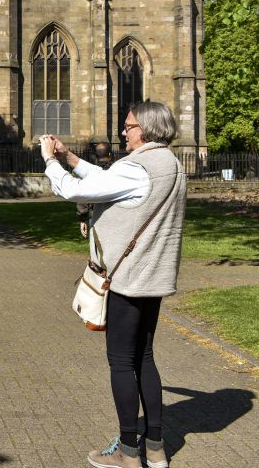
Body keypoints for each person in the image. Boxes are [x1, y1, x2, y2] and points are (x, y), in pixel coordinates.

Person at [40, 101, 186, 468]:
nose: (124, 131)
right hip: (153, 277)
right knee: (145, 358)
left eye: (129, 125)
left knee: (121, 362)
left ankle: (127, 450)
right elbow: (106, 180)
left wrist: (49, 163)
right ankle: (155, 448)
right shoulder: (170, 164)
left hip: (126, 278)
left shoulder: (138, 168)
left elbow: (76, 193)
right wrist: (70, 156)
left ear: (148, 129)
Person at [77, 141, 115, 238]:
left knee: (97, 249)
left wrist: (82, 219)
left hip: (96, 216)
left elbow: (83, 197)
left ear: (95, 156)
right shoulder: (118, 171)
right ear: (110, 154)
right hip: (116, 215)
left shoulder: (90, 174)